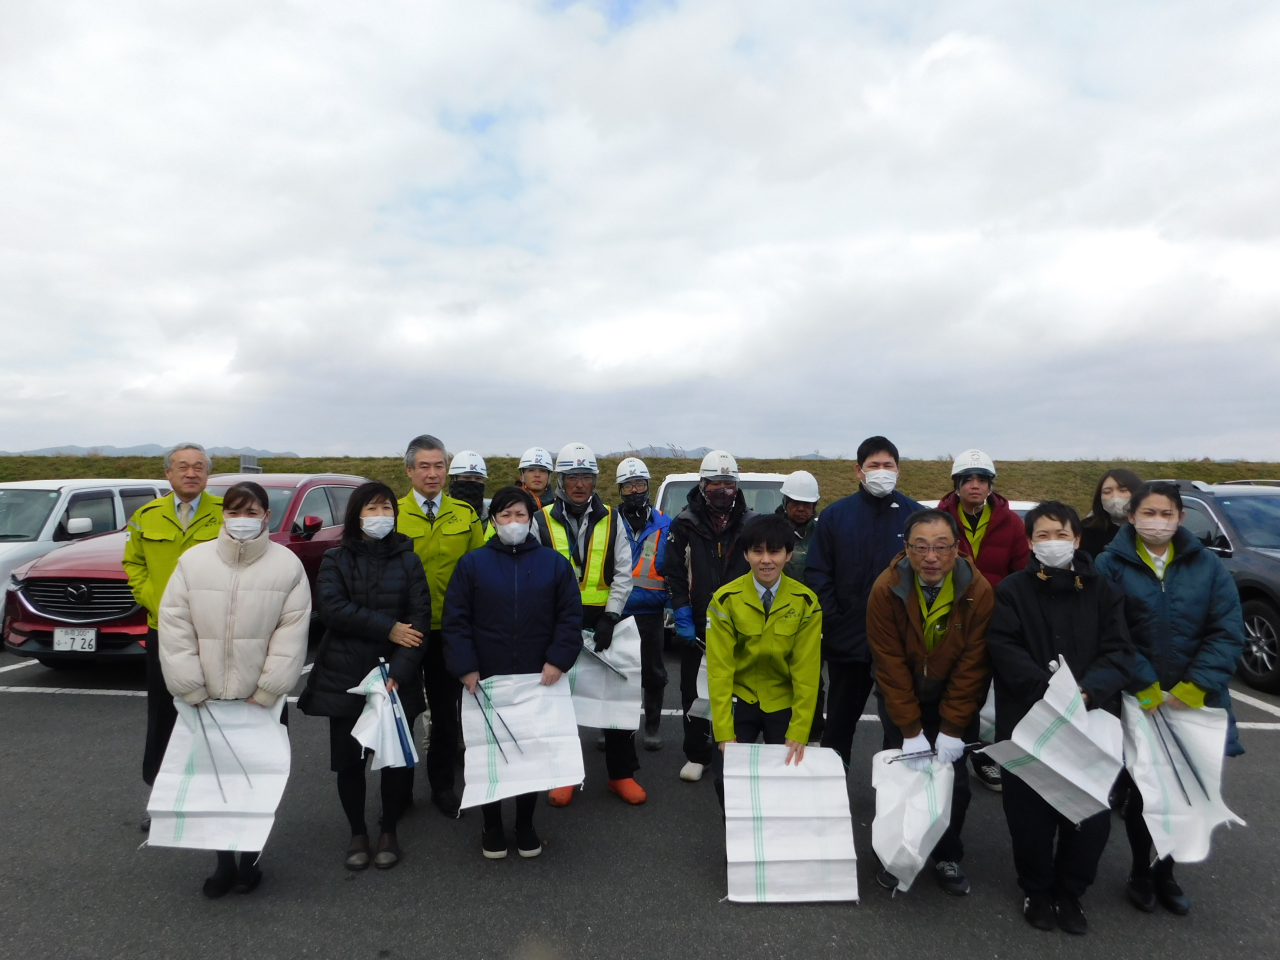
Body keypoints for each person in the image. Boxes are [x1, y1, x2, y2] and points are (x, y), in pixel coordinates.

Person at [1094, 481, 1246, 916]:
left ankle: (1168, 872)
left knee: (1188, 789)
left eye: (1166, 514)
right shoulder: (1111, 564)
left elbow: (1226, 628)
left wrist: (1196, 684)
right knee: (1147, 789)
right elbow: (1110, 630)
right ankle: (1141, 869)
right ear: (1131, 517)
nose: (1157, 522)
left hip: (1195, 699)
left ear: (1181, 518)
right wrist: (1141, 681)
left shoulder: (1207, 566)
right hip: (1138, 699)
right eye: (1149, 514)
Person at [985, 501, 1137, 935]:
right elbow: (1003, 646)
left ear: (1078, 539)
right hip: (1030, 720)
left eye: (1061, 534)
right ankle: (1036, 888)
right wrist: (1047, 689)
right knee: (1029, 817)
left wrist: (1088, 691)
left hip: (1090, 720)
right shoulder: (1012, 591)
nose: (1053, 543)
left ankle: (1070, 893)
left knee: (1089, 815)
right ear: (1030, 542)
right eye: (1043, 536)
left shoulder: (1103, 591)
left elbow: (1119, 650)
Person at [158, 481, 310, 896]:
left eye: (252, 511)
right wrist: (189, 684)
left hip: (260, 701)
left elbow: (292, 631)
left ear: (266, 516)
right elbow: (174, 625)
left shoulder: (287, 565)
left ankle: (251, 862)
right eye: (235, 511)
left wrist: (268, 689)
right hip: (204, 699)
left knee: (256, 780)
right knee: (213, 781)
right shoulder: (193, 561)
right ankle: (223, 864)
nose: (243, 520)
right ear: (223, 514)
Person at [442, 486, 584, 859]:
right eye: (505, 515)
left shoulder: (554, 564)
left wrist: (558, 659)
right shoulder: (473, 564)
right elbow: (456, 620)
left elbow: (570, 616)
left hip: (539, 676)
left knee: (529, 751)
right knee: (491, 752)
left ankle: (525, 822)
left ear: (530, 519)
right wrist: (466, 666)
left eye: (520, 515)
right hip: (487, 677)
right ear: (494, 521)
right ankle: (491, 823)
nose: (513, 523)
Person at [300, 481, 431, 871]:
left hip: (395, 677)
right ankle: (357, 831)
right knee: (349, 760)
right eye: (372, 508)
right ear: (357, 514)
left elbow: (420, 619)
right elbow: (332, 609)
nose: (380, 516)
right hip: (346, 673)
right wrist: (389, 628)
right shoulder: (336, 558)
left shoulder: (409, 560)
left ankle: (388, 828)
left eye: (386, 508)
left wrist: (401, 671)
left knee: (394, 761)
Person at [866, 508, 992, 897]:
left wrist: (953, 728)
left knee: (953, 782)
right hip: (902, 696)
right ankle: (895, 852)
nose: (931, 557)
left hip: (952, 697)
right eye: (921, 547)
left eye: (941, 546)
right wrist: (910, 729)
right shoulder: (885, 589)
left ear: (957, 549)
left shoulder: (978, 590)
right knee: (901, 780)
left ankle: (946, 854)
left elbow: (973, 666)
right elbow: (888, 663)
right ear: (906, 549)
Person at [533, 442, 643, 805]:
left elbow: (624, 571)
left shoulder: (613, 517)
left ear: (595, 480)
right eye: (572, 477)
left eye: (586, 476)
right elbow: (533, 573)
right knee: (560, 701)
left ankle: (621, 774)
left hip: (606, 620)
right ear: (561, 480)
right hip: (558, 621)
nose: (580, 484)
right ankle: (563, 775)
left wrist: (612, 614)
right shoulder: (541, 520)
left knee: (616, 698)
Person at [123, 442, 224, 831]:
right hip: (164, 631)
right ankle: (163, 800)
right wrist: (150, 597)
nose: (191, 473)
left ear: (207, 474)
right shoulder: (147, 515)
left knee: (213, 715)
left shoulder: (224, 513)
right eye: (182, 466)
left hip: (212, 633)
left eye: (199, 467)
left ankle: (213, 798)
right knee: (164, 716)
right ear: (168, 473)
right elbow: (133, 562)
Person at [805, 436, 923, 767]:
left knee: (900, 726)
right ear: (859, 471)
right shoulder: (835, 516)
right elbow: (818, 574)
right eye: (874, 465)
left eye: (888, 465)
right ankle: (831, 790)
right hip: (849, 643)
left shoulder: (917, 517)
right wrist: (836, 622)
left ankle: (895, 793)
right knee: (839, 724)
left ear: (898, 470)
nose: (881, 471)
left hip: (901, 645)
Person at [396, 435, 486, 818]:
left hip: (448, 631)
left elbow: (479, 575)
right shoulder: (392, 513)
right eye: (425, 467)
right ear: (410, 470)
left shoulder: (464, 515)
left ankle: (443, 786)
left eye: (439, 467)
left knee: (447, 715)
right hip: (402, 632)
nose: (432, 474)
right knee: (401, 712)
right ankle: (397, 790)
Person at [707, 514, 822, 807]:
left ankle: (776, 843)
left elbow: (807, 673)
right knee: (726, 778)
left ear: (788, 554)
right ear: (746, 554)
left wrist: (799, 731)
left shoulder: (806, 602)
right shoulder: (724, 600)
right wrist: (723, 732)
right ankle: (736, 841)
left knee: (788, 777)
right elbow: (719, 670)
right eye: (757, 551)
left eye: (774, 551)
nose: (766, 560)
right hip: (740, 698)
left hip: (782, 700)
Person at [661, 449, 756, 783]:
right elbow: (672, 571)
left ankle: (735, 749)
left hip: (742, 625)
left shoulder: (750, 524)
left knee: (741, 689)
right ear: (703, 484)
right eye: (716, 482)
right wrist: (681, 611)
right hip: (697, 624)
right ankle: (697, 754)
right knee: (695, 690)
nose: (723, 490)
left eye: (729, 483)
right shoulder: (685, 523)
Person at [937, 449, 1029, 792]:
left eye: (982, 479)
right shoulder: (940, 517)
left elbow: (1022, 572)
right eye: (968, 479)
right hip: (953, 619)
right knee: (958, 688)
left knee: (995, 696)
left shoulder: (1012, 523)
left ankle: (988, 758)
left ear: (991, 485)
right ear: (957, 485)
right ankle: (955, 753)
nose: (975, 486)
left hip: (997, 620)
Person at [614, 457, 672, 751]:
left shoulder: (665, 523)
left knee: (652, 673)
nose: (635, 490)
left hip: (651, 613)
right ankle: (610, 726)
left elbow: (673, 567)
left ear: (648, 486)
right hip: (616, 612)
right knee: (614, 672)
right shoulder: (610, 522)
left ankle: (651, 727)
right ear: (620, 490)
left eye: (640, 484)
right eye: (628, 486)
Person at [776, 470, 823, 742]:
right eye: (796, 503)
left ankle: (813, 736)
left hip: (811, 619)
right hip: (776, 616)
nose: (801, 509)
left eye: (807, 504)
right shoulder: (771, 528)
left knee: (813, 680)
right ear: (785, 502)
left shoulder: (822, 532)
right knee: (776, 679)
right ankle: (778, 737)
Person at [1080, 468, 1143, 559]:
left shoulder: (1149, 527)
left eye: (1123, 490)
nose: (1115, 497)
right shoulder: (1086, 529)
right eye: (1107, 492)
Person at [448, 450, 490, 530]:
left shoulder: (492, 517)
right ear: (453, 479)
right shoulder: (438, 513)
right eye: (467, 478)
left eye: (478, 478)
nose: (473, 482)